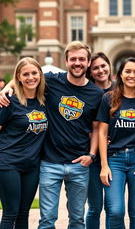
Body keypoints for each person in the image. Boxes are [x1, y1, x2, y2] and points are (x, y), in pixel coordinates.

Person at [0, 41, 104, 229]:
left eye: (82, 59)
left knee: (77, 220)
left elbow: (96, 128)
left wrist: (91, 155)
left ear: (88, 63)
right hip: (49, 163)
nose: (77, 63)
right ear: (66, 61)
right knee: (46, 220)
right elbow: (26, 74)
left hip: (78, 164)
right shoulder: (52, 81)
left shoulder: (96, 93)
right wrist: (7, 87)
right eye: (73, 59)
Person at [97, 57, 135, 229]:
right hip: (114, 160)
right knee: (115, 210)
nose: (132, 75)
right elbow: (102, 132)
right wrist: (104, 165)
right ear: (120, 74)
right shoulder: (108, 99)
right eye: (128, 71)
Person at [0, 57, 48, 229]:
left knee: (24, 213)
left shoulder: (44, 101)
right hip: (8, 163)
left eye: (34, 73)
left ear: (40, 75)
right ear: (18, 77)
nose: (30, 77)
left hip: (32, 166)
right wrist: (6, 88)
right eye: (25, 74)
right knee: (10, 213)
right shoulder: (9, 101)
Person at [86, 52, 114, 229]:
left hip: (115, 156)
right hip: (93, 156)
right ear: (90, 71)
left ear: (109, 66)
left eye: (103, 66)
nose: (100, 70)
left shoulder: (121, 89)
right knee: (95, 207)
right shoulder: (87, 91)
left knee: (113, 207)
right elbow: (81, 122)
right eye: (95, 68)